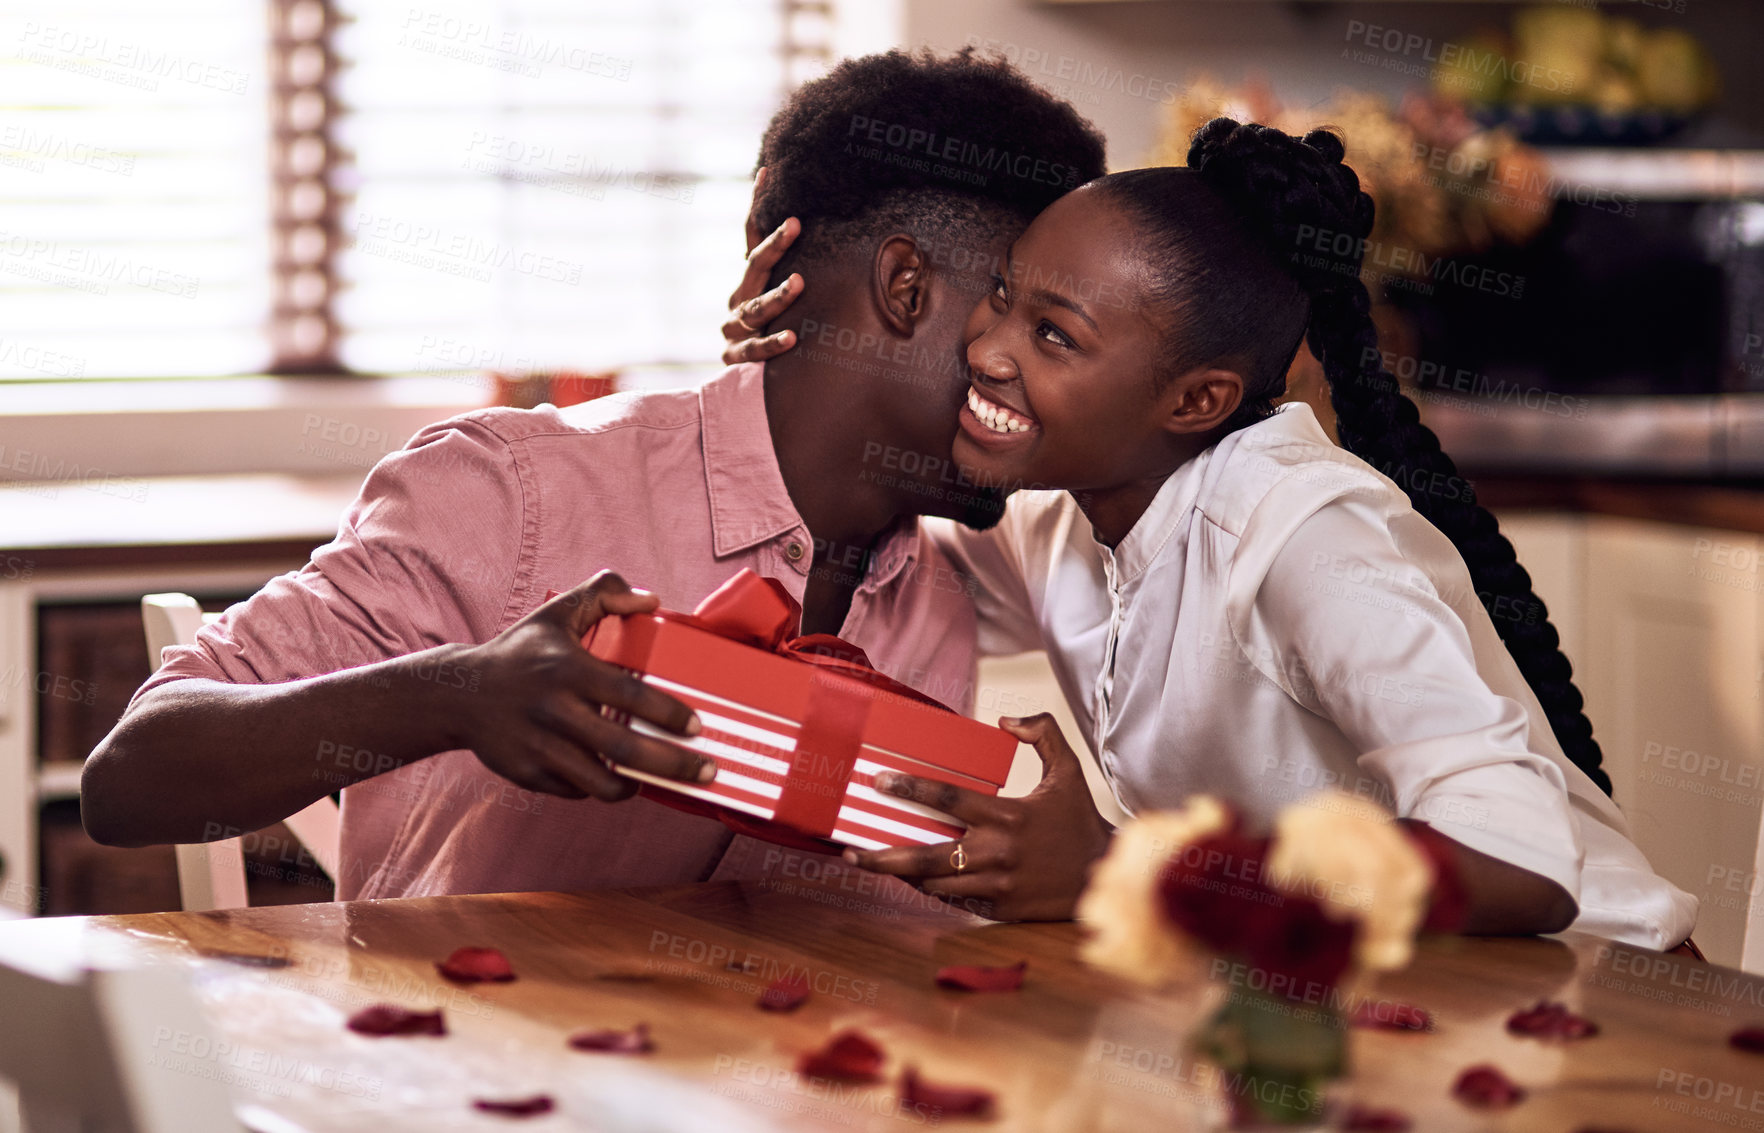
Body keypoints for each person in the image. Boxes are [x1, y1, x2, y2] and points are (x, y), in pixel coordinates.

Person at [79, 49, 1107, 902]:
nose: (1060, 376)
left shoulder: (941, 592)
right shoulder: (516, 491)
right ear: (905, 286)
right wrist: (457, 693)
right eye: (1034, 312)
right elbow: (132, 776)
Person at [731, 120, 1696, 949]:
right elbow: (854, 549)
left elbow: (1521, 856)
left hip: (1601, 998)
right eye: (1002, 295)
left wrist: (1127, 866)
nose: (987, 349)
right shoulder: (1055, 516)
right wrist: (801, 362)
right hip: (1372, 1003)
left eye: (1055, 335)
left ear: (1197, 400)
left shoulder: (1302, 533)